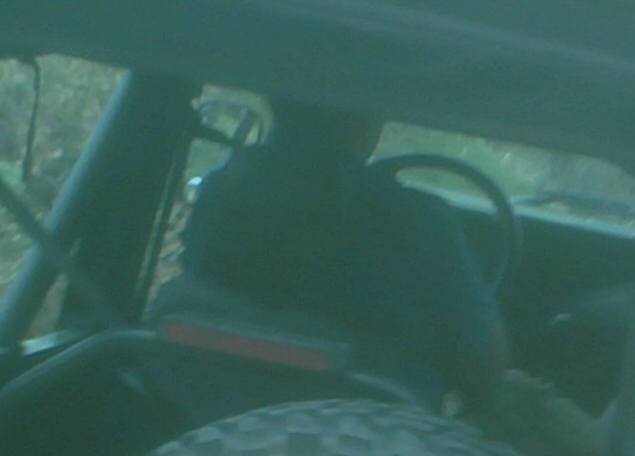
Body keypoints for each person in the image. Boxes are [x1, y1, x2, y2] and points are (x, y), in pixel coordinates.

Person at [180, 98, 508, 410]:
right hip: (369, 442)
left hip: (202, 418)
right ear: (366, 118)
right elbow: (483, 371)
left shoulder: (221, 194)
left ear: (278, 103)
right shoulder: (422, 222)